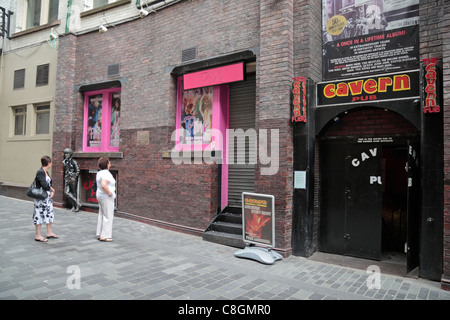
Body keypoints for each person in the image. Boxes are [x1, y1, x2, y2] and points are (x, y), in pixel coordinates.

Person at [33, 156, 57, 242]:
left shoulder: (45, 171)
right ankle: (38, 235)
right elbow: (44, 184)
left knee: (49, 213)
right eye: (50, 162)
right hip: (41, 198)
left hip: (47, 198)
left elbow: (48, 183)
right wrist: (52, 190)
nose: (51, 164)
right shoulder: (40, 172)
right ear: (48, 163)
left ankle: (49, 232)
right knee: (39, 214)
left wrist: (51, 191)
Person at [96, 157, 116, 242]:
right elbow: (104, 185)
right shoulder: (107, 174)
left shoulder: (99, 173)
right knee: (108, 216)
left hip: (100, 195)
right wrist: (110, 193)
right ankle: (106, 236)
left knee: (101, 214)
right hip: (106, 197)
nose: (110, 164)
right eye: (109, 162)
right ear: (107, 164)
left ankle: (99, 233)